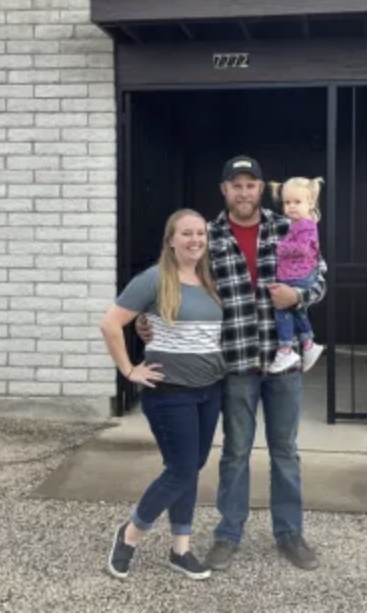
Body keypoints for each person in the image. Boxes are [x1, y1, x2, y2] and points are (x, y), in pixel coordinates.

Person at [137, 154, 327, 572]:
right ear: (224, 190)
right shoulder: (209, 236)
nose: (244, 192)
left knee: (285, 451)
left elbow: (319, 277)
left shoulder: (288, 227)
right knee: (236, 452)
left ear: (263, 189)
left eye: (251, 184)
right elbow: (177, 284)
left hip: (285, 363)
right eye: (236, 185)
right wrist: (145, 321)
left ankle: (290, 532)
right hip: (237, 364)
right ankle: (228, 533)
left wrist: (298, 298)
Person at [98, 209, 226, 581]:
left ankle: (181, 550)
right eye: (186, 233)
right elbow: (110, 323)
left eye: (200, 233)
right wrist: (128, 369)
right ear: (171, 240)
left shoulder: (210, 280)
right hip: (171, 395)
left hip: (209, 391)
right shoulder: (154, 279)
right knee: (183, 470)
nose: (195, 240)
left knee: (187, 470)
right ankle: (130, 533)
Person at [266, 176, 326, 374]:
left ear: (310, 203)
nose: (291, 207)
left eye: (297, 202)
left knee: (281, 308)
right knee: (296, 311)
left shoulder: (306, 225)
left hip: (298, 275)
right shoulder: (296, 224)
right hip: (295, 273)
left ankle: (286, 348)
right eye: (287, 202)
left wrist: (281, 247)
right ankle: (308, 344)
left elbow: (302, 249)